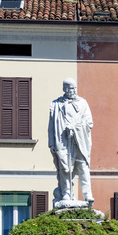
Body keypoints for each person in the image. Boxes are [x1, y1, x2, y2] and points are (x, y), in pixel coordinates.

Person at [48, 78, 94, 208]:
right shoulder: (56, 104)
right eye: (69, 88)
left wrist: (75, 129)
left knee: (83, 167)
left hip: (80, 141)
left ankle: (87, 195)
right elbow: (51, 126)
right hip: (62, 142)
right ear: (64, 89)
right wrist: (51, 143)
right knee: (65, 168)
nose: (72, 91)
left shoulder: (83, 103)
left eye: (74, 88)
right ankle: (66, 194)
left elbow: (89, 123)